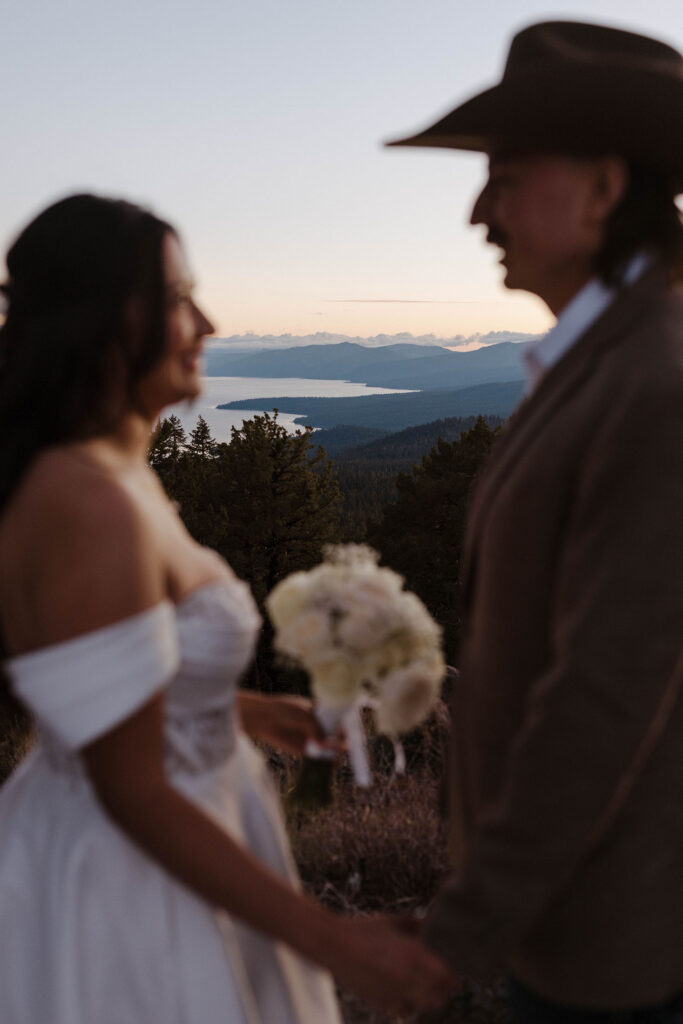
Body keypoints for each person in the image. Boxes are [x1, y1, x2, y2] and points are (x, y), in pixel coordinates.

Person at [0, 193, 456, 1024]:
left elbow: (108, 686)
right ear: (102, 319)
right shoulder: (88, 501)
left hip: (160, 838)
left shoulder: (117, 474)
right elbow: (129, 789)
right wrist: (333, 941)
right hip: (129, 876)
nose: (208, 320)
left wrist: (240, 708)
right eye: (179, 298)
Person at [386, 19, 683, 1023]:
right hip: (569, 925)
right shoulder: (600, 364)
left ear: (603, 188)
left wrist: (457, 932)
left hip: (618, 948)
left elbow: (604, 691)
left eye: (505, 175)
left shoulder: (656, 383)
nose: (479, 209)